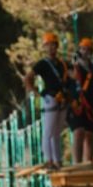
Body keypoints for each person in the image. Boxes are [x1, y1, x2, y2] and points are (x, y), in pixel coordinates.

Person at [25, 31, 68, 168]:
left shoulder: (62, 64)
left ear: (56, 46)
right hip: (50, 97)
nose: (51, 48)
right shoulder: (42, 64)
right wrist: (35, 91)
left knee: (56, 131)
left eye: (53, 45)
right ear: (45, 47)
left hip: (61, 98)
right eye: (48, 45)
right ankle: (49, 160)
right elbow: (28, 77)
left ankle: (57, 160)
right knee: (49, 130)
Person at [67, 37, 93, 163]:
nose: (85, 52)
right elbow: (69, 75)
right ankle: (77, 163)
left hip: (90, 105)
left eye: (88, 50)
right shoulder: (75, 67)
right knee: (79, 132)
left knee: (90, 135)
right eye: (83, 49)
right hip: (77, 104)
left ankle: (88, 162)